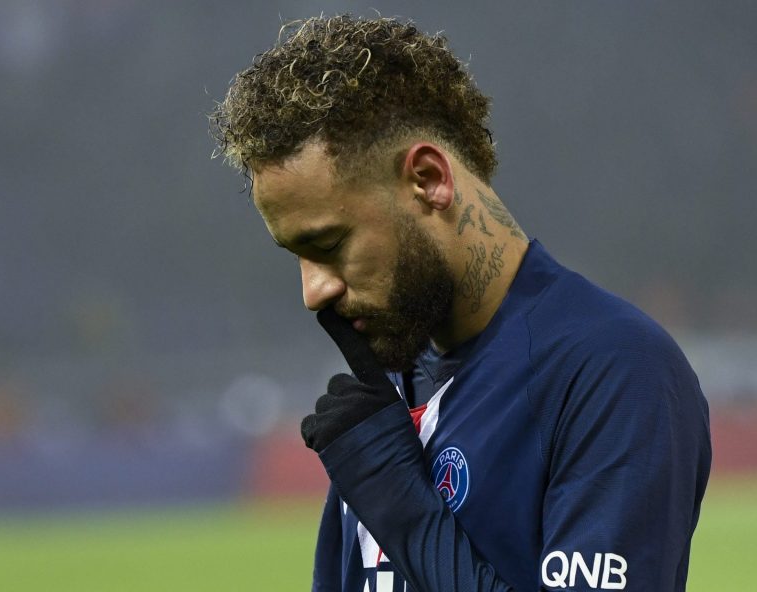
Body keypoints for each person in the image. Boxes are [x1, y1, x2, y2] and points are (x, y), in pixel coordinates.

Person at [211, 14, 711, 592]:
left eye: (328, 245)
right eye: (295, 255)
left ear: (428, 179)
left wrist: (401, 506)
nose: (313, 291)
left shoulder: (611, 368)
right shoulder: (387, 390)